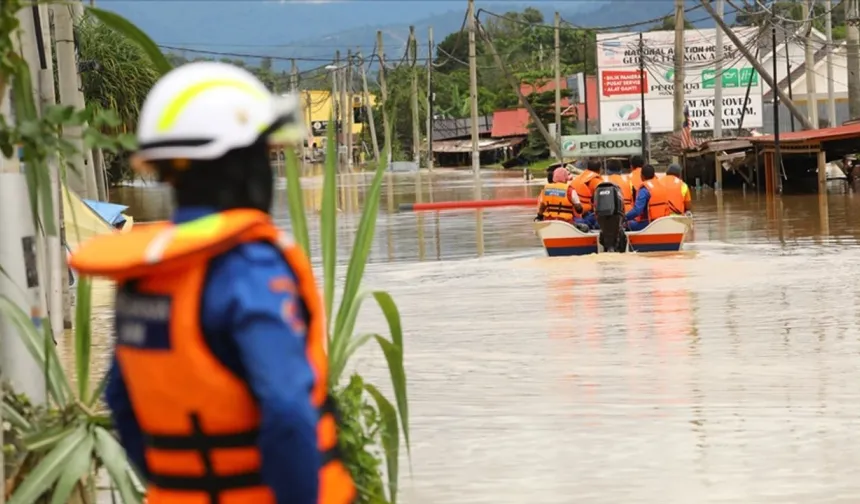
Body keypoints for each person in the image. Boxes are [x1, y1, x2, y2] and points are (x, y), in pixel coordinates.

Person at [68, 62, 355, 504]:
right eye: (263, 153)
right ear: (241, 163)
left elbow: (121, 402)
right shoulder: (249, 270)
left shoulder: (147, 274)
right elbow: (287, 412)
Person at [624, 164, 670, 231]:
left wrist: (625, 217)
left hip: (648, 224)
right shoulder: (661, 186)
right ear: (654, 175)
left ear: (642, 176)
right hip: (662, 223)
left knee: (625, 224)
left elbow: (637, 211)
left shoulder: (644, 190)